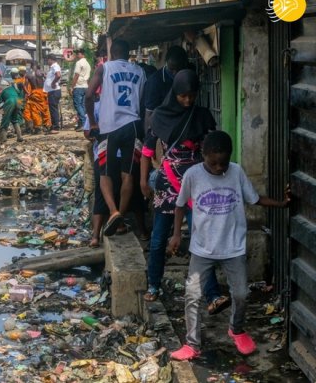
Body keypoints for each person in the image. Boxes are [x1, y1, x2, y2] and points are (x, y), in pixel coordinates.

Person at [168, 131, 289, 361]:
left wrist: (281, 204)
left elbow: (255, 199)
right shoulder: (193, 175)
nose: (218, 168)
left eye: (222, 163)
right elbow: (180, 205)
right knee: (192, 295)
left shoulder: (236, 172)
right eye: (213, 163)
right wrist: (176, 235)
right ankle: (192, 344)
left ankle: (236, 329)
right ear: (203, 155)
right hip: (202, 248)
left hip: (233, 247)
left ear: (229, 158)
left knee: (241, 293)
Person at [139, 70, 227, 310]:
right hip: (167, 186)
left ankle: (212, 294)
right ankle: (153, 285)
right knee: (158, 240)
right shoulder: (159, 116)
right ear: (174, 93)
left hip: (196, 187)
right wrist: (143, 182)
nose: (188, 101)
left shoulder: (202, 116)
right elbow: (147, 150)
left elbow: (213, 150)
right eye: (183, 96)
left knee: (201, 240)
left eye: (192, 95)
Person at [85, 39, 145, 236]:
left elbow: (88, 95)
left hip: (109, 128)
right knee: (128, 174)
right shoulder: (139, 71)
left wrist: (93, 122)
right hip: (134, 125)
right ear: (128, 53)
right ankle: (121, 216)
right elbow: (143, 103)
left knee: (105, 173)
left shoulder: (104, 68)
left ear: (111, 52)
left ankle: (114, 211)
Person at [84, 100, 148, 247]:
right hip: (126, 154)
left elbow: (87, 133)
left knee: (101, 193)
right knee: (134, 191)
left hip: (104, 155)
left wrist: (98, 133)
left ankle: (96, 236)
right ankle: (140, 230)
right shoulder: (130, 106)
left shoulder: (98, 106)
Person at [143, 46, 188, 132]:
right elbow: (149, 114)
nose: (175, 73)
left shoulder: (187, 75)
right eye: (171, 69)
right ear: (166, 62)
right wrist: (148, 140)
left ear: (185, 64)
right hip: (162, 127)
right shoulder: (155, 81)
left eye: (179, 69)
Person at [0, 68, 25, 144]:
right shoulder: (13, 87)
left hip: (10, 102)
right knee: (15, 119)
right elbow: (20, 94)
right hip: (18, 102)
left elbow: (0, 103)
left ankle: (3, 139)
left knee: (5, 121)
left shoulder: (1, 92)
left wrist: (5, 110)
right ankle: (19, 137)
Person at [23, 62, 51, 134]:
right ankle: (47, 125)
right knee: (45, 109)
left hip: (34, 93)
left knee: (35, 111)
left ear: (31, 67)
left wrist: (27, 93)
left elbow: (25, 85)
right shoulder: (42, 73)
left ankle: (38, 127)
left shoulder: (28, 75)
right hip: (43, 92)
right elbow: (48, 81)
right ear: (38, 66)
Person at [70, 48, 91, 130]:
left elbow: (76, 75)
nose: (77, 55)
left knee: (78, 105)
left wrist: (72, 87)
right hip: (85, 86)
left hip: (78, 86)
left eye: (78, 53)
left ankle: (83, 123)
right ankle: (83, 123)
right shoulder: (87, 64)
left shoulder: (79, 63)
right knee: (82, 106)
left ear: (81, 54)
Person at [44, 54, 62, 133]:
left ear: (51, 59)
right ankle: (54, 126)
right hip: (52, 91)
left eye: (48, 60)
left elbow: (58, 75)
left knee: (53, 109)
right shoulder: (53, 67)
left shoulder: (55, 66)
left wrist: (53, 83)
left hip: (54, 91)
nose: (47, 62)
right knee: (53, 109)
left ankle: (55, 127)